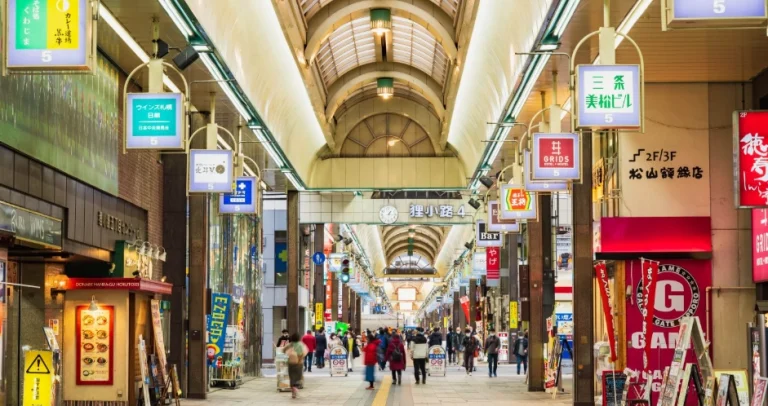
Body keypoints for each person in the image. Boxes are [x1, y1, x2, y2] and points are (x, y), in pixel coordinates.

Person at [283, 333, 308, 399]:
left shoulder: (290, 344)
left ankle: (293, 391)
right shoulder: (301, 344)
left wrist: (288, 354)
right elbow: (304, 352)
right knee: (298, 376)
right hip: (299, 363)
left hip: (291, 362)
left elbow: (283, 350)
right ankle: (295, 388)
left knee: (292, 377)